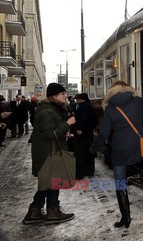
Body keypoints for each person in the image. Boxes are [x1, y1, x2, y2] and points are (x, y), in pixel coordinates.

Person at [89, 80, 143, 229]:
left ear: (112, 91)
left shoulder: (110, 108)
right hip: (136, 144)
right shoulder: (137, 101)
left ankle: (126, 218)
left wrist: (91, 149)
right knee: (135, 162)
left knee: (120, 183)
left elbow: (104, 134)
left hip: (120, 148)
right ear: (127, 88)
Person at [23, 83, 76, 225]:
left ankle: (40, 211)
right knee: (50, 182)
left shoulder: (52, 109)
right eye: (62, 94)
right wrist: (68, 123)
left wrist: (64, 132)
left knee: (51, 182)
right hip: (49, 154)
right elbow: (49, 134)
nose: (65, 96)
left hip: (51, 152)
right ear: (54, 96)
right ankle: (49, 211)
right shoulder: (47, 112)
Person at [74, 93, 97, 179]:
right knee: (89, 151)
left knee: (80, 153)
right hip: (88, 133)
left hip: (82, 134)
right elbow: (95, 119)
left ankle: (80, 173)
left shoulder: (83, 107)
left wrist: (79, 128)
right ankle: (89, 171)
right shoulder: (89, 106)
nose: (76, 101)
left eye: (77, 99)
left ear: (81, 99)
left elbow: (83, 119)